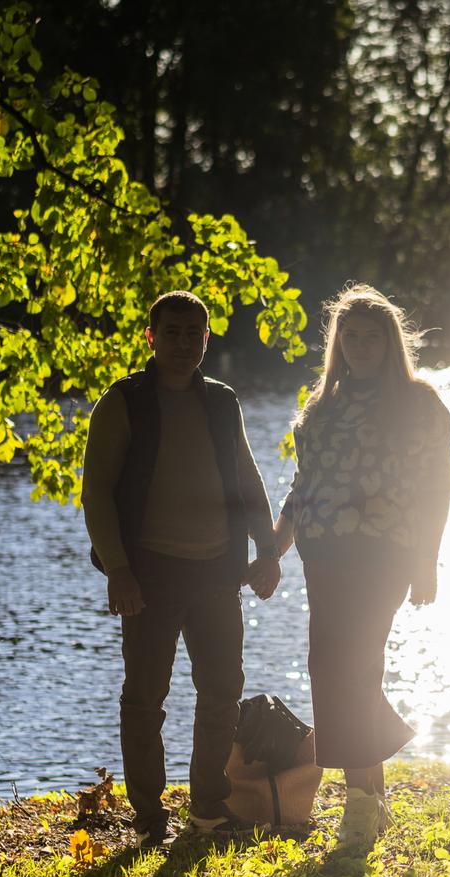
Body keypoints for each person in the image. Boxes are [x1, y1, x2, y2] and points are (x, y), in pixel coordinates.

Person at [82, 290, 283, 847]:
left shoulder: (222, 401)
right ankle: (149, 817)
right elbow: (96, 494)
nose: (182, 343)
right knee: (145, 699)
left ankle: (207, 809)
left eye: (193, 333)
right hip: (148, 577)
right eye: (171, 332)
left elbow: (247, 479)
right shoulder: (123, 401)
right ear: (151, 337)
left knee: (222, 693)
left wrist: (267, 550)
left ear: (206, 340)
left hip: (217, 573)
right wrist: (118, 570)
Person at [271, 284, 450, 847]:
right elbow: (303, 487)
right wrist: (273, 550)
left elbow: (438, 489)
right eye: (349, 336)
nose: (359, 346)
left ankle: (357, 803)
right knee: (336, 666)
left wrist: (427, 562)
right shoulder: (322, 405)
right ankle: (372, 797)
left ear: (390, 342)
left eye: (371, 337)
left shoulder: (418, 404)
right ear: (338, 343)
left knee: (348, 663)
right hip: (323, 554)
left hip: (384, 552)